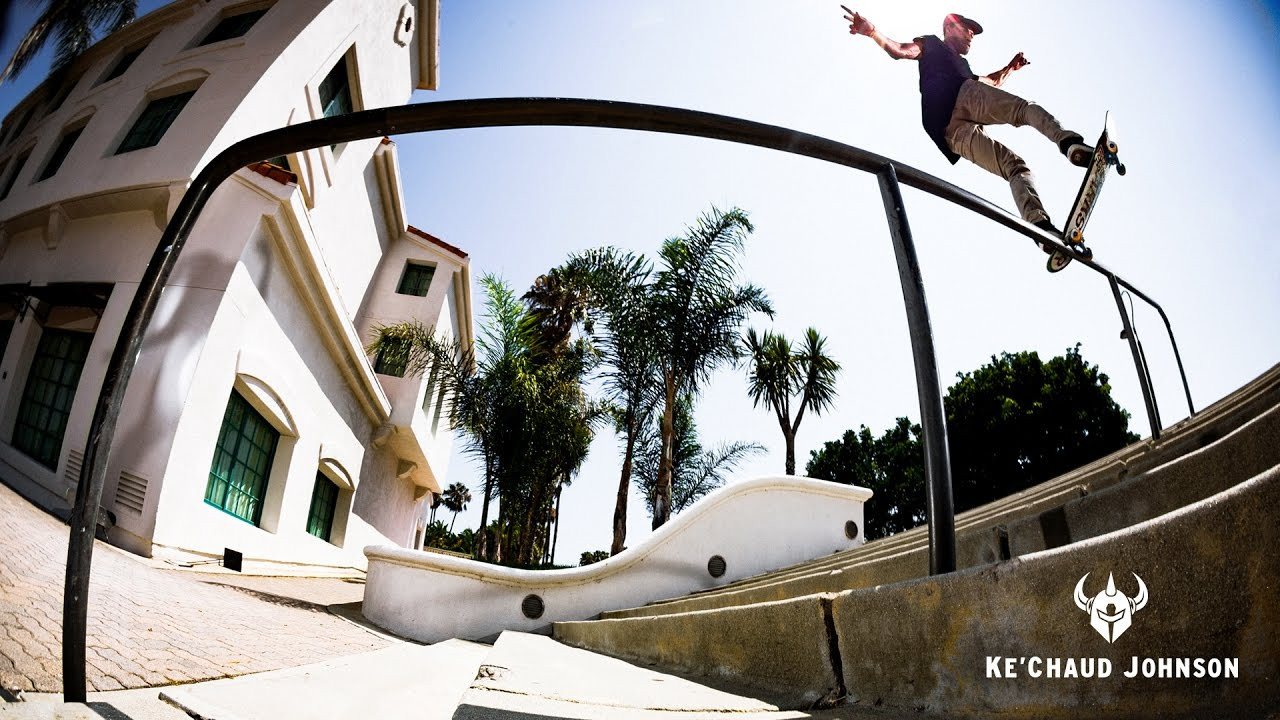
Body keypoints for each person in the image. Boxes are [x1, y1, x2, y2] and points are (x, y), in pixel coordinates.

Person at [843, 9, 1092, 243]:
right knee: (1023, 109)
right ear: (950, 27)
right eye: (967, 29)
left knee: (1014, 167)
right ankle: (1068, 142)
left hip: (950, 132)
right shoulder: (931, 44)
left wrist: (1010, 69)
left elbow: (990, 82)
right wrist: (872, 31)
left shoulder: (963, 67)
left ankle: (1040, 227)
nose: (972, 35)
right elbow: (900, 50)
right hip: (962, 95)